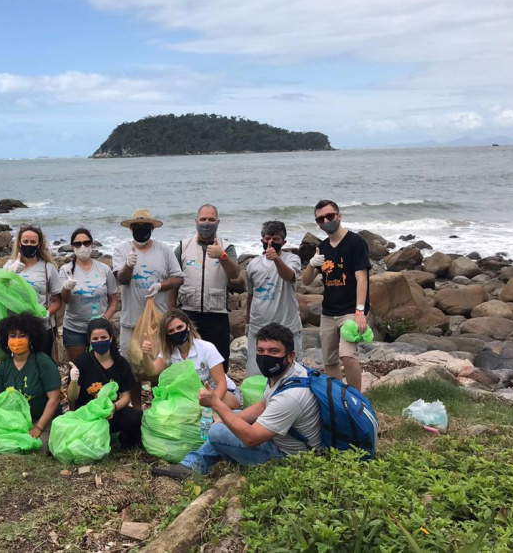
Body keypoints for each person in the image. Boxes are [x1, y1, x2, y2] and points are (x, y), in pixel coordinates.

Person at [151, 323, 321, 479]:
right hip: (281, 435)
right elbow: (262, 405)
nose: (265, 356)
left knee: (217, 432)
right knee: (231, 417)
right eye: (261, 351)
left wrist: (216, 405)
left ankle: (195, 465)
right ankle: (193, 464)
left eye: (273, 351)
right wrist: (225, 418)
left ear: (290, 356)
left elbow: (251, 438)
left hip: (287, 456)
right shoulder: (288, 373)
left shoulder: (290, 396)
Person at [112, 208, 184, 409]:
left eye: (145, 227)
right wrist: (128, 265)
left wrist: (161, 285)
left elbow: (178, 277)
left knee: (157, 369)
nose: (140, 230)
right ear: (130, 228)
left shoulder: (164, 250)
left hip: (157, 322)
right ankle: (136, 409)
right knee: (132, 369)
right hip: (130, 322)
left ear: (152, 228)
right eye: (136, 227)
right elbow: (122, 279)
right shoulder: (121, 249)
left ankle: (157, 407)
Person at [301, 200, 371, 391]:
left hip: (350, 310)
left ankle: (357, 398)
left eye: (329, 216)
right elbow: (306, 281)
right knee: (329, 359)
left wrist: (360, 311)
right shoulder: (322, 248)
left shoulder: (355, 242)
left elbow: (362, 278)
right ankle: (339, 399)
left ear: (339, 216)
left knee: (348, 356)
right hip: (329, 311)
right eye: (320, 219)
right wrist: (312, 264)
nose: (326, 221)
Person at [0, 312, 61, 451]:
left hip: (43, 420)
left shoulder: (43, 362)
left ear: (31, 339)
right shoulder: (4, 366)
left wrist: (39, 427)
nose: (16, 340)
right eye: (12, 336)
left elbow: (54, 398)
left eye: (22, 336)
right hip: (15, 422)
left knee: (39, 446)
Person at [172, 204, 240, 361]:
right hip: (188, 313)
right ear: (196, 221)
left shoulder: (227, 247)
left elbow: (235, 274)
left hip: (216, 314)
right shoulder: (183, 246)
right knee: (188, 358)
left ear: (218, 222)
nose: (206, 223)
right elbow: (174, 280)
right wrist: (171, 311)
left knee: (219, 358)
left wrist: (222, 256)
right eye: (203, 219)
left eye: (211, 219)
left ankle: (220, 385)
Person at [142, 309, 241, 409]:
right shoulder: (168, 352)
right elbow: (151, 371)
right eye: (171, 331)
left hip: (222, 393)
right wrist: (145, 355)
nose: (176, 332)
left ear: (188, 326)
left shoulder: (206, 348)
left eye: (180, 327)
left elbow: (221, 384)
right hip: (191, 395)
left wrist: (211, 406)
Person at [67, 317, 142, 449]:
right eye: (95, 339)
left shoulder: (120, 363)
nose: (99, 341)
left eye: (103, 337)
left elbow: (126, 397)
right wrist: (73, 380)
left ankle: (124, 442)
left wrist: (113, 408)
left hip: (111, 413)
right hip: (87, 415)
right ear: (89, 340)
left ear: (111, 338)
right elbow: (72, 398)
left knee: (135, 417)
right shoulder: (82, 362)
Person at [244, 221, 303, 376]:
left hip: (287, 326)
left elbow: (288, 276)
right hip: (259, 326)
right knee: (255, 372)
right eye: (267, 238)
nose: (270, 242)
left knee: (293, 370)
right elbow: (251, 295)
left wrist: (276, 259)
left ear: (284, 242)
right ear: (262, 240)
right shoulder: (253, 265)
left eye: (275, 239)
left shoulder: (292, 259)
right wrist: (247, 322)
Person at [59, 227, 120, 362]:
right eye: (78, 244)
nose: (82, 247)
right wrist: (66, 288)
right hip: (74, 328)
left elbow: (114, 301)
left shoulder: (104, 269)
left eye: (86, 243)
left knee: (104, 365)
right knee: (77, 368)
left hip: (101, 330)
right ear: (72, 247)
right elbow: (65, 300)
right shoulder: (65, 270)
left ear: (92, 244)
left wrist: (105, 319)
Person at [6, 224, 62, 357]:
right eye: (25, 241)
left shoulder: (48, 268)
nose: (29, 245)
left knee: (41, 364)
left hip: (42, 328)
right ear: (19, 242)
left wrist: (47, 313)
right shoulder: (9, 265)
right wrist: (8, 273)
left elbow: (57, 301)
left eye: (33, 242)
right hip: (16, 328)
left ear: (39, 244)